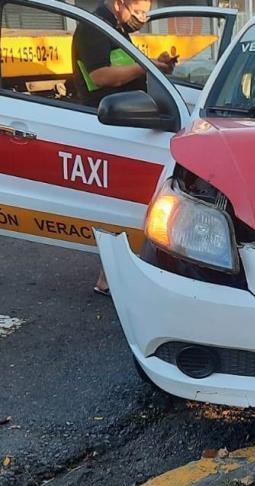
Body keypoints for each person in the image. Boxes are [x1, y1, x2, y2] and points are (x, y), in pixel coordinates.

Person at [72, 0, 176, 295]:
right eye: (139, 10)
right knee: (125, 199)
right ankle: (111, 278)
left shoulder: (115, 26)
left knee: (128, 201)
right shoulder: (94, 28)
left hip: (127, 120)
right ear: (119, 3)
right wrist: (147, 66)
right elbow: (100, 76)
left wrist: (156, 66)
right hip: (109, 122)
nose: (142, 17)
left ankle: (112, 276)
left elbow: (124, 68)